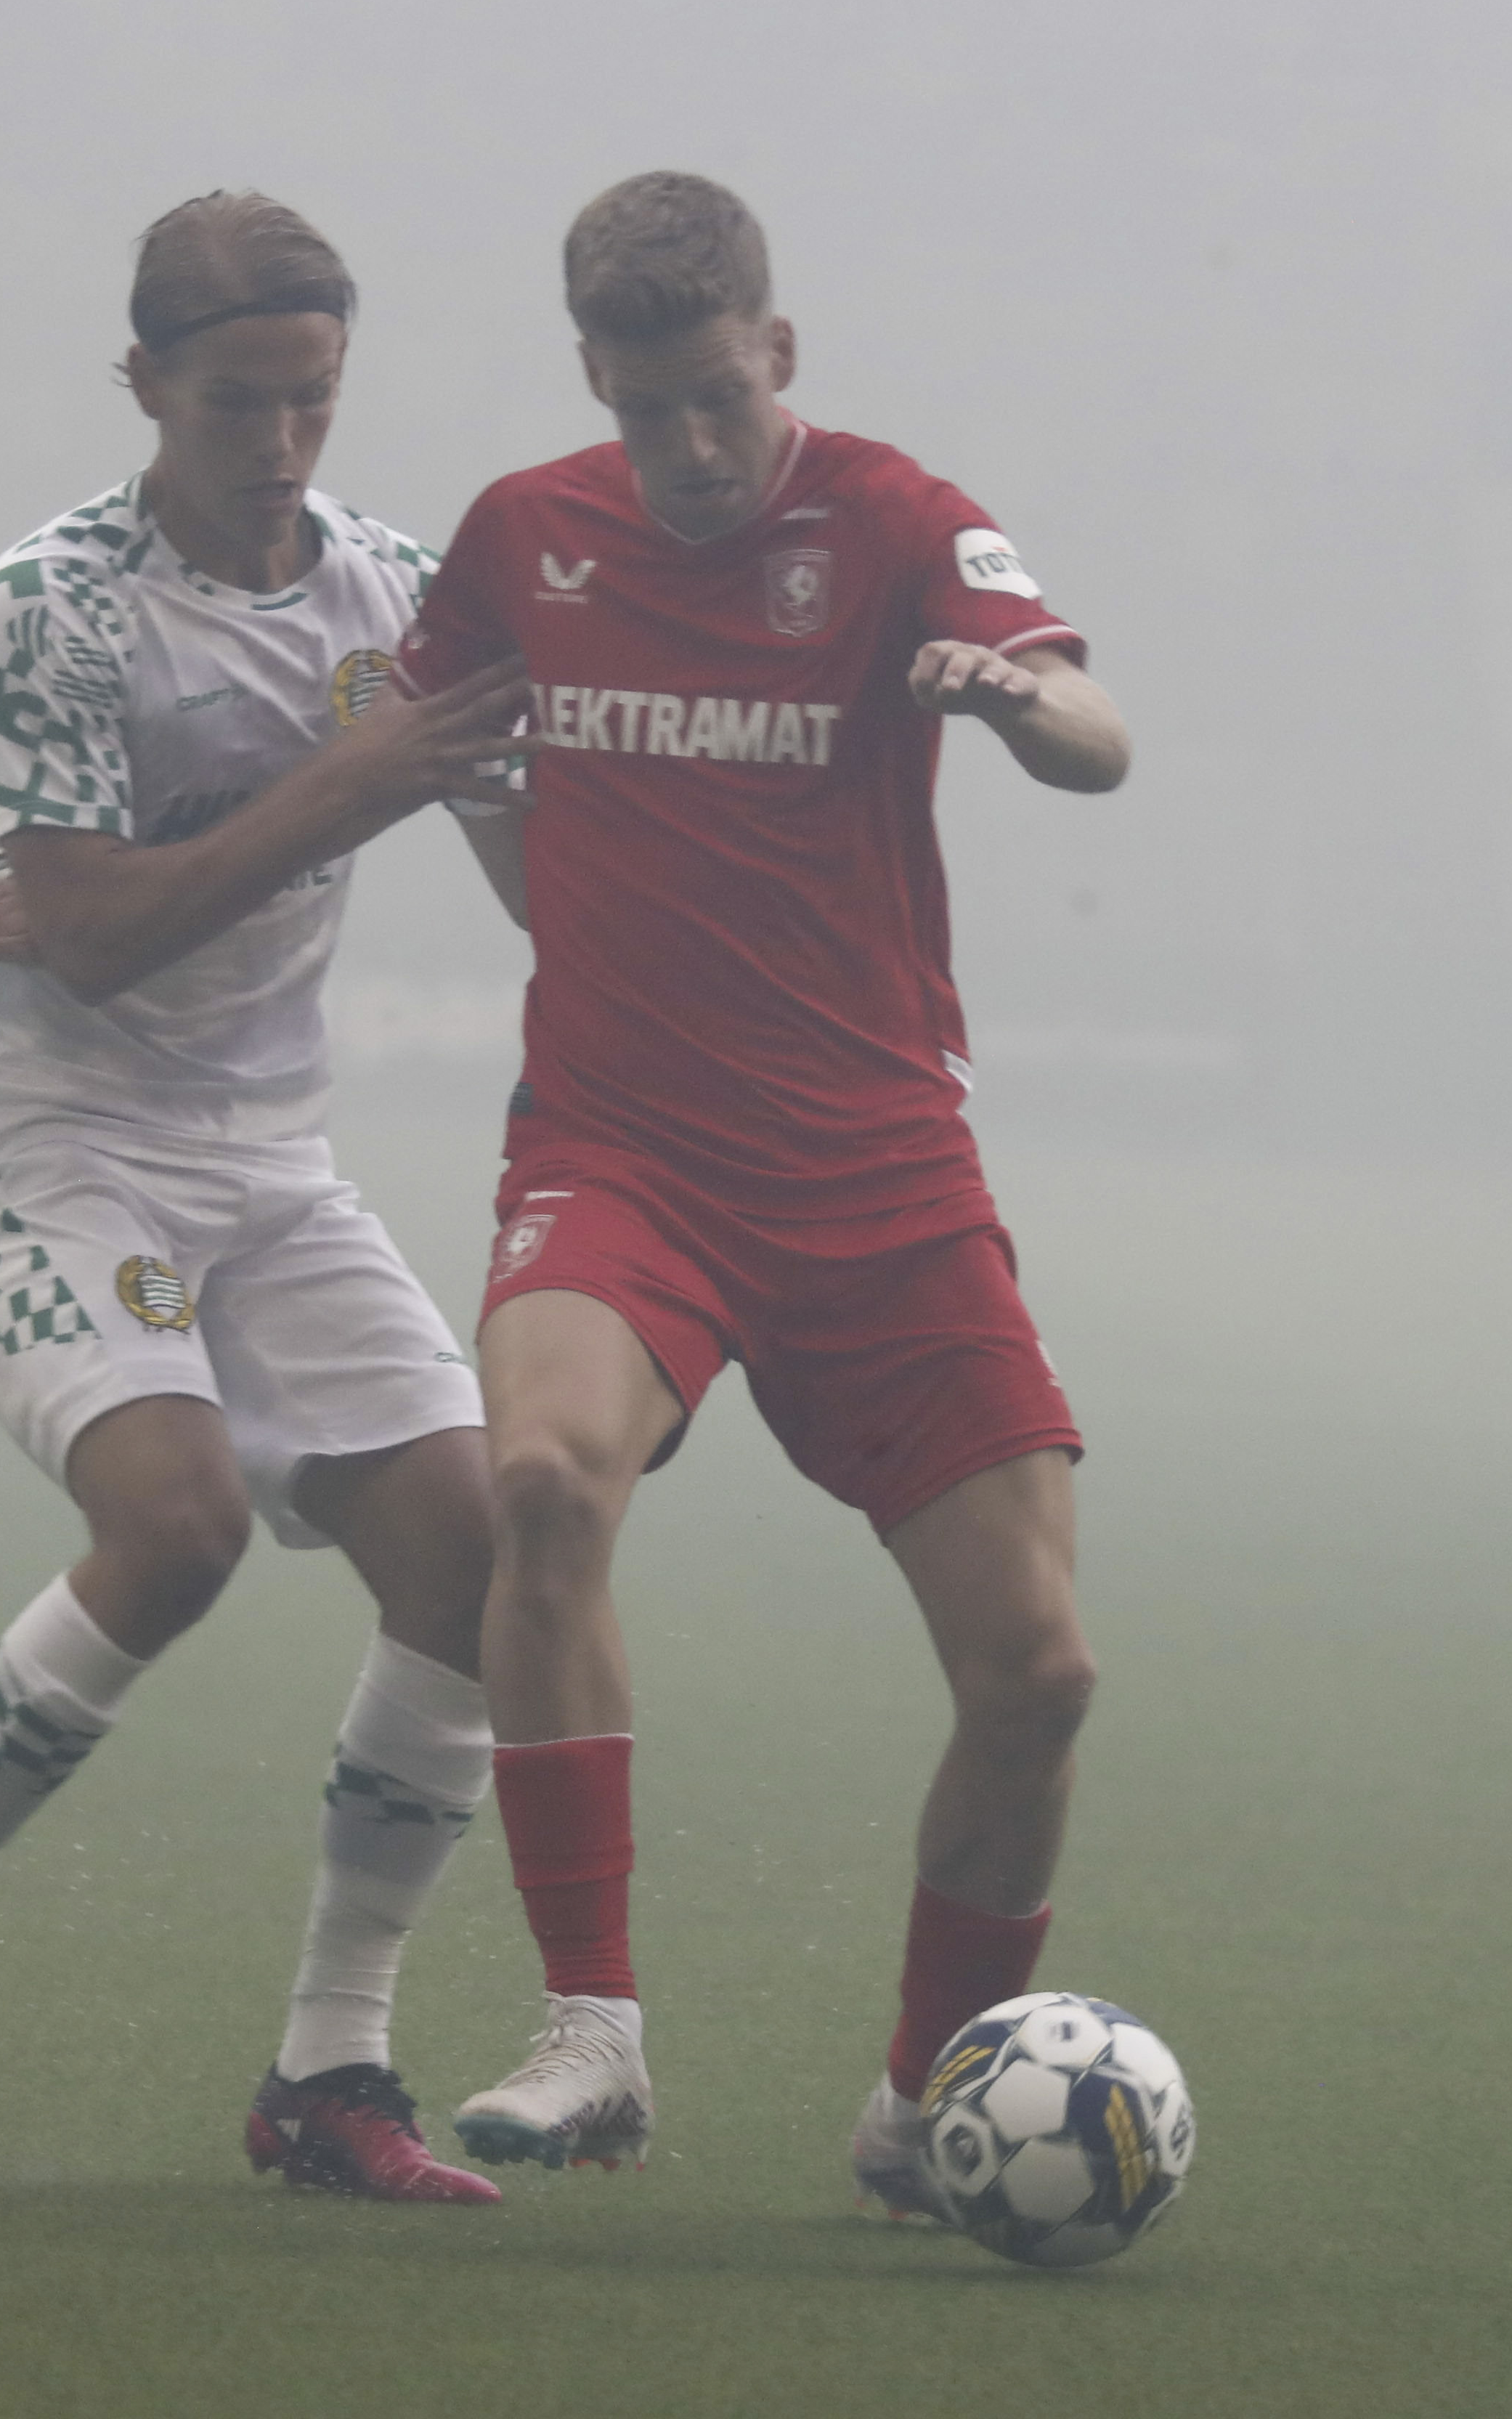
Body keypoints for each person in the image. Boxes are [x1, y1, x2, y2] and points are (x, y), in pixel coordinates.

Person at [390, 174, 1133, 2213]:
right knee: (538, 1479)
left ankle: (921, 2109)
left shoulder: (896, 522)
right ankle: (591, 2036)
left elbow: (1101, 732)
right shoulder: (523, 535)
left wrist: (1012, 699)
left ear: (778, 357)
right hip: (621, 1150)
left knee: (1040, 1673)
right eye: (651, 412)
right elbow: (407, 714)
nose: (693, 450)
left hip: (880, 1168)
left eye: (722, 399)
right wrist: (476, 832)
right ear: (595, 389)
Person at [0, 192, 535, 2204]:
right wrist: (354, 779)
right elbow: (98, 945)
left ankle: (330, 2071)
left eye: (313, 397)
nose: (283, 441)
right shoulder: (56, 597)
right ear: (145, 386)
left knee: (476, 1571)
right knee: (179, 1524)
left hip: (267, 1163)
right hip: (44, 1143)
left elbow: (530, 862)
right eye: (237, 401)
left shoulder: (392, 586)